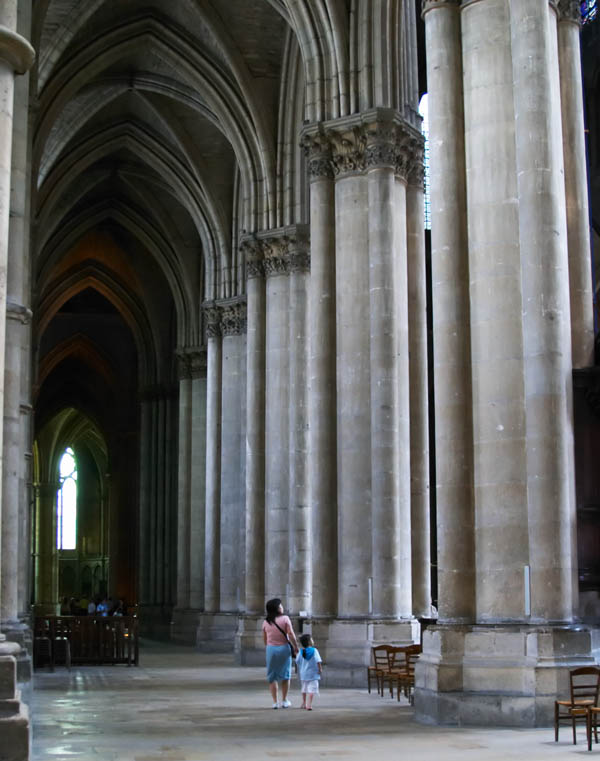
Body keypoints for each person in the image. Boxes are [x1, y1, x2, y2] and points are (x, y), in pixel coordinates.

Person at [262, 598, 299, 709]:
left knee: (272, 676)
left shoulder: (265, 622)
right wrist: (296, 647)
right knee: (285, 675)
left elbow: (264, 639)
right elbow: (291, 634)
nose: (282, 607)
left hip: (271, 649)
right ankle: (284, 700)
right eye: (280, 606)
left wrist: (269, 646)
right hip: (284, 648)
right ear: (277, 609)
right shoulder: (285, 619)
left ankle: (275, 702)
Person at [296, 633, 323, 710]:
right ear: (309, 642)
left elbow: (297, 661)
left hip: (304, 674)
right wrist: (320, 669)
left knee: (304, 689)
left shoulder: (301, 652)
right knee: (312, 690)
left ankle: (304, 703)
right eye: (311, 639)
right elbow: (318, 661)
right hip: (313, 675)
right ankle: (309, 705)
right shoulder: (314, 650)